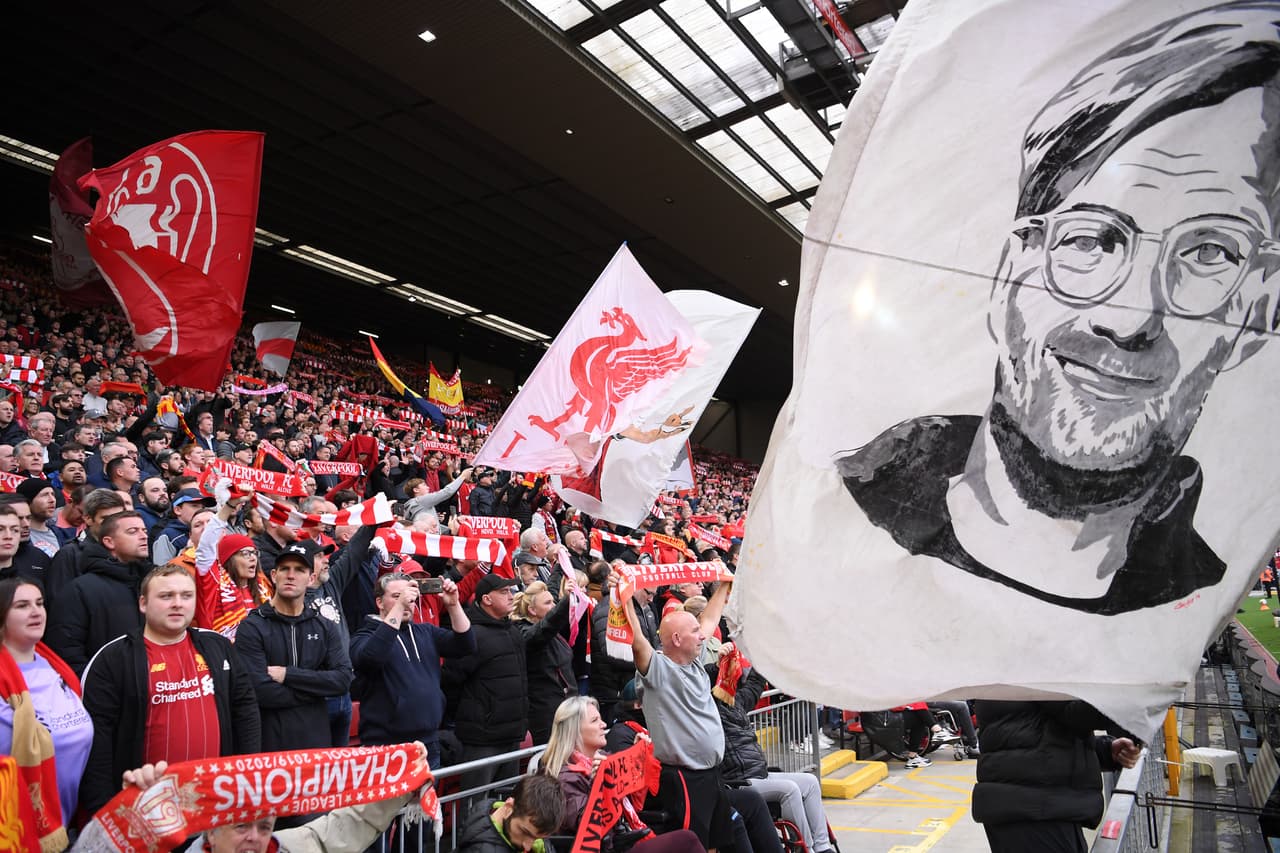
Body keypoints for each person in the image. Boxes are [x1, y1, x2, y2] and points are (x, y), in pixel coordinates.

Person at [835, 2, 1280, 615]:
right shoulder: (843, 505)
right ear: (1006, 276)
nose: (1129, 320)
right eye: (1091, 239)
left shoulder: (1196, 603)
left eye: (1208, 252)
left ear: (1257, 313)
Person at [78, 564, 261, 816]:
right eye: (166, 596)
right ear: (143, 603)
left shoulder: (217, 646)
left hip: (214, 801)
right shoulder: (113, 659)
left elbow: (245, 710)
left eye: (186, 596)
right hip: (143, 807)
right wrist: (104, 809)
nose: (178, 603)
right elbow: (97, 740)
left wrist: (245, 777)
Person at [103, 741, 432, 853]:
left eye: (264, 826)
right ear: (211, 833)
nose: (255, 838)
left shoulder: (290, 846)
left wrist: (403, 780)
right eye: (242, 826)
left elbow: (351, 824)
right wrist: (137, 815)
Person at [624, 579, 734, 851]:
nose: (702, 635)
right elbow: (638, 644)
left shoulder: (695, 662)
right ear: (676, 638)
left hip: (712, 774)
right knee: (693, 845)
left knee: (714, 845)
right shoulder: (659, 670)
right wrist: (625, 598)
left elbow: (710, 618)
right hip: (686, 778)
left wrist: (723, 584)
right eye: (694, 631)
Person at [709, 645, 835, 853]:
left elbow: (755, 685)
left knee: (811, 782)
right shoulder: (706, 709)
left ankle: (823, 847)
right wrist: (716, 666)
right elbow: (695, 679)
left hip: (760, 774)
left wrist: (763, 658)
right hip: (739, 781)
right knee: (790, 790)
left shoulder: (736, 702)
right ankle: (808, 849)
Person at [972, 699, 1141, 852]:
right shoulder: (1033, 671)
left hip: (1030, 806)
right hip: (1035, 810)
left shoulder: (1019, 677)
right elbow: (1078, 712)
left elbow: (1036, 738)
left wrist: (1105, 750)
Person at [541, 695, 704, 853]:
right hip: (611, 846)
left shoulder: (604, 759)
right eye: (594, 721)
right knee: (687, 840)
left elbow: (634, 801)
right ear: (574, 731)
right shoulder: (564, 778)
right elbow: (590, 827)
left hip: (627, 838)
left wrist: (635, 759)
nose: (604, 724)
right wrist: (598, 783)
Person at [0, 578, 92, 850]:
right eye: (22, 605)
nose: (36, 611)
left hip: (69, 824)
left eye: (39, 603)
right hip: (17, 831)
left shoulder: (56, 667)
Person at [234, 542, 353, 751]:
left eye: (299, 570)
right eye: (284, 569)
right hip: (269, 745)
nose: (291, 575)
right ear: (273, 575)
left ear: (311, 578)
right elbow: (258, 690)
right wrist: (317, 690)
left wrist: (289, 675)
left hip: (315, 743)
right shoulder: (252, 625)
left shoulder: (324, 625)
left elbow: (343, 679)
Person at [349, 572, 474, 766]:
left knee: (427, 797)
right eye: (397, 596)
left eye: (410, 596)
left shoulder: (425, 631)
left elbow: (466, 645)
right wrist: (398, 609)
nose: (407, 602)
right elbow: (372, 657)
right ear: (380, 603)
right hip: (386, 748)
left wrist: (453, 605)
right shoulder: (364, 635)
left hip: (428, 743)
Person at [46, 511, 153, 675]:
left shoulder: (153, 583)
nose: (143, 536)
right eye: (133, 531)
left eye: (144, 531)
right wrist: (96, 689)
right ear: (109, 542)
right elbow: (67, 650)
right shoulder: (79, 590)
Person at [512, 580, 575, 744]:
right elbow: (544, 629)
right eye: (548, 603)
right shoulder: (525, 633)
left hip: (566, 709)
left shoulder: (553, 634)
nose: (553, 605)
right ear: (532, 610)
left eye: (554, 601)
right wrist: (565, 602)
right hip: (545, 717)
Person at [456, 773, 566, 853]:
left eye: (537, 838)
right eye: (524, 832)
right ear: (508, 807)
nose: (527, 846)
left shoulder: (493, 809)